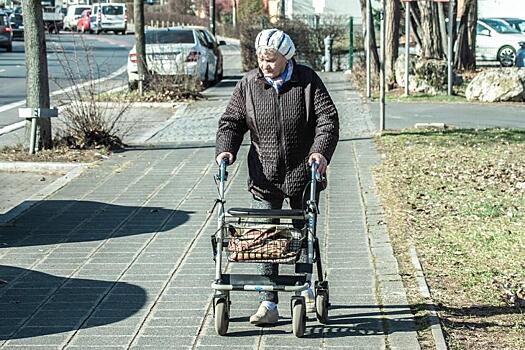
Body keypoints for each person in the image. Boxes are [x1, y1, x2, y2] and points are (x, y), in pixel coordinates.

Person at [215, 28, 339, 326]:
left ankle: (303, 286)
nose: (265, 64)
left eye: (271, 59)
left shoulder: (307, 81)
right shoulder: (249, 84)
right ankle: (268, 302)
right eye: (261, 58)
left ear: (287, 57)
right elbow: (231, 122)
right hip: (264, 173)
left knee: (300, 233)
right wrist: (225, 151)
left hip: (302, 172)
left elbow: (328, 120)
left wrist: (320, 152)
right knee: (265, 237)